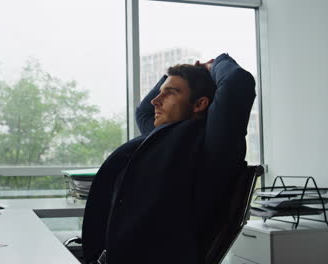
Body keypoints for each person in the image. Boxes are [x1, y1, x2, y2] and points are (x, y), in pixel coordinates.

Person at [81, 54, 256, 264]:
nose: (156, 100)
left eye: (170, 93)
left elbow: (237, 82)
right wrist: (173, 76)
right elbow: (143, 111)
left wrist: (213, 64)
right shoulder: (162, 135)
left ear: (199, 104)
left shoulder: (211, 144)